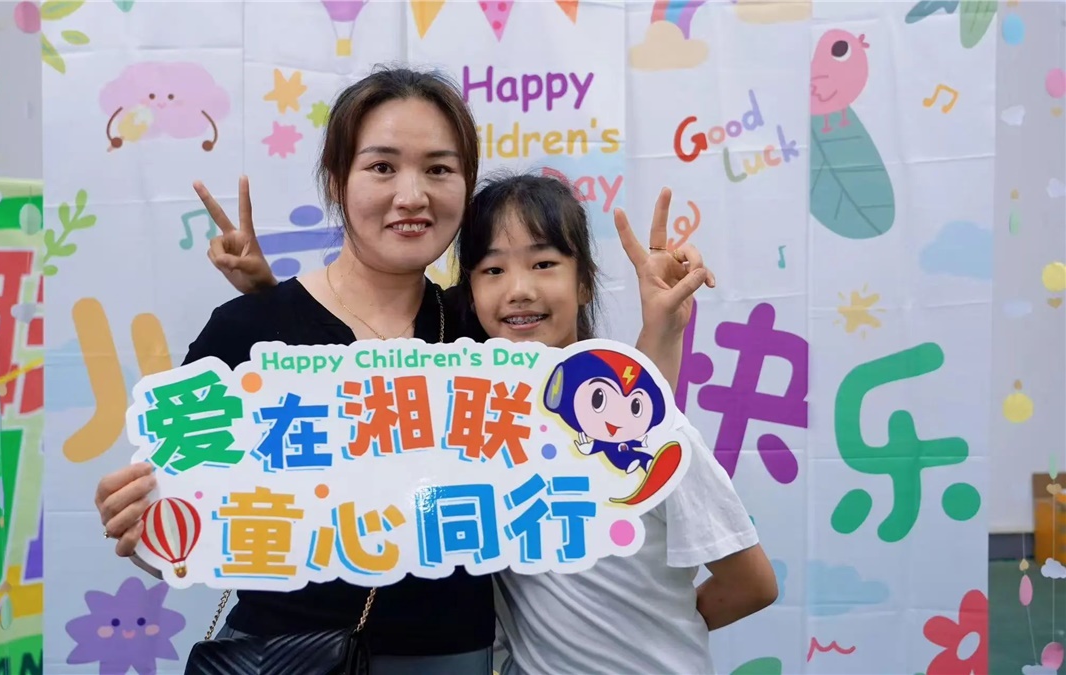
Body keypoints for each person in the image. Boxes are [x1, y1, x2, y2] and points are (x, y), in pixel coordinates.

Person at [205, 169, 779, 673]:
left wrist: (656, 636)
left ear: (584, 281)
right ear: (471, 296)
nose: (519, 289)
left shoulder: (648, 431)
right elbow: (352, 381)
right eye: (492, 269)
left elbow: (750, 583)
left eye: (544, 263)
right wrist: (268, 300)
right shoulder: (475, 421)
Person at [93, 66, 494, 674]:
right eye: (382, 167)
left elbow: (603, 437)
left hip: (450, 656)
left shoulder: (484, 333)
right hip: (279, 656)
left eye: (439, 169)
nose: (412, 196)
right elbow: (174, 541)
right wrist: (137, 526)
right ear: (337, 181)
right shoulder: (247, 332)